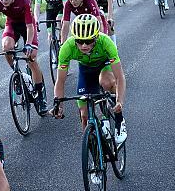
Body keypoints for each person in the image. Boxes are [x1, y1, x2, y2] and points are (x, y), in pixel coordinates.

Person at [51, 14, 127, 144]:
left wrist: (120, 101)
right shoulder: (67, 47)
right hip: (86, 69)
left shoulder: (106, 42)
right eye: (79, 41)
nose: (84, 45)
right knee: (84, 115)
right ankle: (93, 153)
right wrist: (58, 104)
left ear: (96, 37)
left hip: (105, 65)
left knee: (106, 82)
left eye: (88, 41)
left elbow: (120, 76)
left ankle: (119, 120)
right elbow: (61, 80)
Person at [0, 0, 48, 115]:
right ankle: (16, 74)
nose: (3, 1)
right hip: (12, 24)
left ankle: (40, 97)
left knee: (31, 57)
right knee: (6, 47)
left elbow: (29, 26)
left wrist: (28, 44)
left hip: (27, 25)